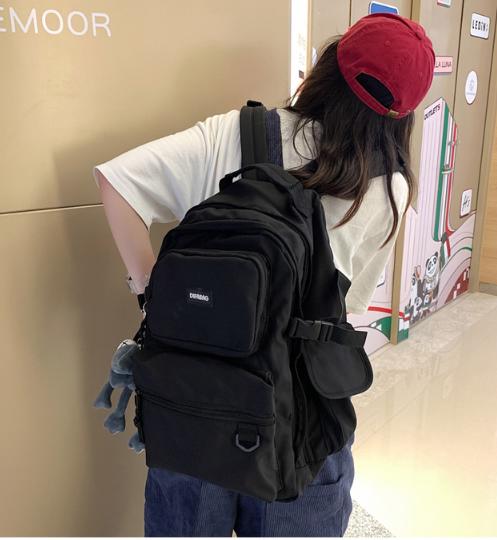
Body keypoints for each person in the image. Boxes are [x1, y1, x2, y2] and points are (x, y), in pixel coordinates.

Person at [93, 12, 435, 537]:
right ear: (403, 115)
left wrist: (152, 300)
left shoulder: (236, 131)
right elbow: (345, 312)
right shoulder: (391, 188)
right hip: (298, 426)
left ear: (328, 63)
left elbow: (115, 182)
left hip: (195, 402)